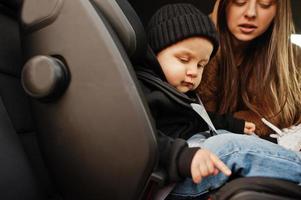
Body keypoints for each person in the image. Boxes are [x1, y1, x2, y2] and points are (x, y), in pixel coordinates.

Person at [135, 3, 301, 199]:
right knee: (230, 147)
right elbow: (139, 140)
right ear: (155, 53)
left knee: (224, 136)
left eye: (201, 65)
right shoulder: (146, 90)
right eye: (183, 59)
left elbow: (199, 118)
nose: (193, 72)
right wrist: (181, 156)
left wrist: (233, 124)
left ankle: (286, 160)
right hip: (169, 178)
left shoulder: (174, 91)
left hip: (186, 162)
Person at [198, 0, 301, 140]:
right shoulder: (191, 47)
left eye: (265, 3)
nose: (251, 13)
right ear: (223, 4)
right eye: (240, 1)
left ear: (279, 10)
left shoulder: (294, 62)